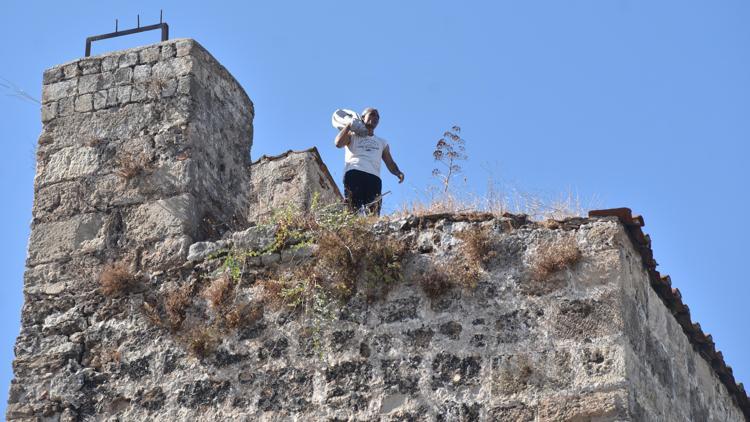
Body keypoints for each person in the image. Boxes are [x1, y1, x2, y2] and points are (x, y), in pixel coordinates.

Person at [334, 107, 404, 215]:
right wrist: (349, 125)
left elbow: (389, 161)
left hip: (374, 178)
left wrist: (397, 172)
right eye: (372, 114)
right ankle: (351, 231)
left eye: (377, 116)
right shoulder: (352, 136)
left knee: (374, 212)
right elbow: (338, 143)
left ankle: (373, 231)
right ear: (362, 117)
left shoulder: (382, 142)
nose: (375, 117)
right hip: (354, 173)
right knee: (352, 209)